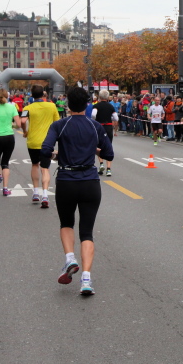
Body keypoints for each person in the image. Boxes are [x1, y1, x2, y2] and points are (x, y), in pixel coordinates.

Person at [41, 87, 114, 296]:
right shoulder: (95, 126)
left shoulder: (59, 125)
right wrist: (94, 150)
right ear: (87, 104)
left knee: (66, 223)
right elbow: (109, 154)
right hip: (90, 181)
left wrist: (55, 157)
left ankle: (70, 259)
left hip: (66, 180)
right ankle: (86, 280)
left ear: (67, 104)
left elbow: (45, 150)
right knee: (87, 232)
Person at [22, 85, 60, 207]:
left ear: (32, 95)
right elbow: (57, 123)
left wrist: (25, 131)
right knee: (45, 168)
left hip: (33, 141)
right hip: (47, 142)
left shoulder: (28, 107)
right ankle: (45, 195)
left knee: (34, 164)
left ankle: (35, 192)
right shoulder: (52, 106)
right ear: (43, 94)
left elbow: (22, 121)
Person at [92, 90, 118, 173]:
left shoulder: (96, 106)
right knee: (109, 146)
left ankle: (101, 164)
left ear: (99, 97)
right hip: (108, 127)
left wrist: (94, 120)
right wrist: (111, 118)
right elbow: (116, 118)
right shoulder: (111, 106)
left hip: (99, 126)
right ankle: (109, 169)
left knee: (99, 146)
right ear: (107, 97)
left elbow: (93, 115)